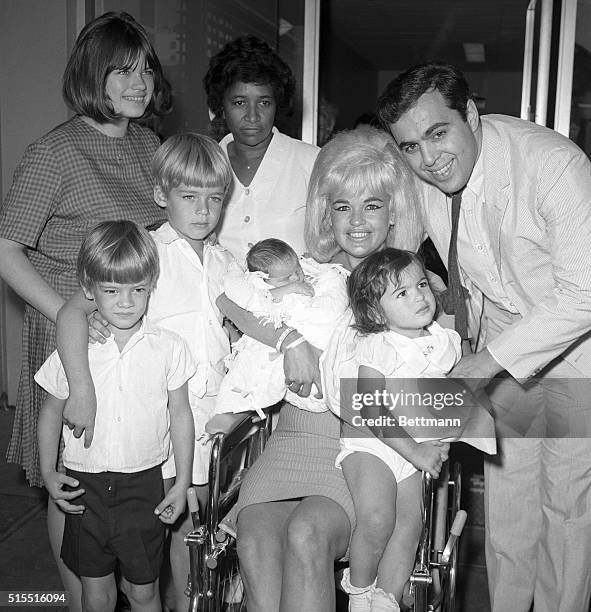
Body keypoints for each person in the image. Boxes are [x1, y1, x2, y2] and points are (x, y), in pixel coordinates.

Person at [377, 61, 591, 612]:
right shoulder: (426, 181)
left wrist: (482, 363)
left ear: (471, 114)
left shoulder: (554, 166)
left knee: (565, 510)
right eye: (409, 147)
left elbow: (583, 297)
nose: (427, 159)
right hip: (501, 350)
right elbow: (405, 260)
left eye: (437, 133)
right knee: (511, 503)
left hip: (577, 354)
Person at [0, 11, 170, 606]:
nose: (138, 82)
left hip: (130, 326)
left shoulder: (150, 144)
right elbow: (5, 249)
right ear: (90, 76)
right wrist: (62, 313)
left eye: (145, 68)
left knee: (130, 471)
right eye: (121, 71)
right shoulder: (54, 151)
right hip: (68, 333)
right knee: (75, 478)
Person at [216, 126, 423, 612]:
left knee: (306, 535)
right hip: (292, 435)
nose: (356, 221)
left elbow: (437, 389)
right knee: (254, 533)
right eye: (341, 205)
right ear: (325, 212)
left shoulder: (416, 286)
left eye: (372, 204)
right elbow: (230, 298)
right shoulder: (305, 271)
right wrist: (287, 339)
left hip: (358, 447)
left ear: (394, 211)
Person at [55, 133, 237, 610]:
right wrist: (81, 387)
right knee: (164, 535)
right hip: (155, 426)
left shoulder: (227, 263)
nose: (203, 210)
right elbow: (74, 311)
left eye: (214, 198)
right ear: (161, 196)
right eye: (189, 197)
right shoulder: (145, 252)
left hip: (211, 419)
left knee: (201, 532)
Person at [322, 247, 495, 612]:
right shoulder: (377, 344)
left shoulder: (444, 342)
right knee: (378, 516)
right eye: (402, 293)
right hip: (375, 445)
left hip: (419, 450)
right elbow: (369, 405)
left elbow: (456, 396)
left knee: (411, 523)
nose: (419, 296)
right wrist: (415, 451)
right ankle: (361, 591)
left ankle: (385, 597)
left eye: (420, 285)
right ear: (374, 311)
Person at [36, 220, 195, 612]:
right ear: (89, 290)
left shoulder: (168, 347)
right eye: (111, 290)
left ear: (150, 287)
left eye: (137, 289)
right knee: (97, 595)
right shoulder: (76, 350)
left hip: (144, 487)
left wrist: (182, 483)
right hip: (83, 485)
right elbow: (51, 410)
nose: (126, 301)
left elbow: (181, 413)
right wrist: (48, 473)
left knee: (143, 592)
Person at [203, 34, 319, 263]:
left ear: (277, 104)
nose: (253, 116)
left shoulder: (312, 162)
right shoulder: (203, 166)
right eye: (239, 102)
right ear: (221, 106)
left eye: (264, 102)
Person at [215, 238, 348, 418]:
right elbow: (241, 300)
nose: (296, 278)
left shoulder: (324, 275)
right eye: (287, 278)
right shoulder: (258, 288)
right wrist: (292, 340)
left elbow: (329, 308)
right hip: (301, 377)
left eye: (298, 271)